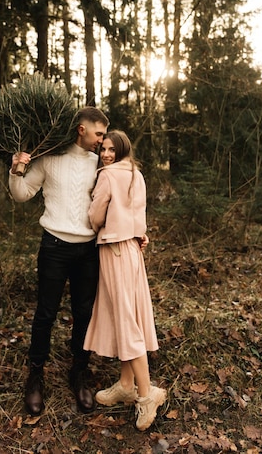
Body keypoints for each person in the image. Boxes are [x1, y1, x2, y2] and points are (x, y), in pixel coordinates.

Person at [9, 106, 109, 416]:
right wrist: (16, 170)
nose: (102, 141)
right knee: (45, 313)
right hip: (54, 246)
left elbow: (117, 201)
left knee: (83, 313)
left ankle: (78, 373)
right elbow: (22, 194)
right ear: (82, 129)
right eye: (99, 134)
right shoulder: (49, 158)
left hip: (88, 250)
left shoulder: (99, 164)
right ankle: (35, 377)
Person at [84, 130, 166, 431]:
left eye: (110, 149)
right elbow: (137, 214)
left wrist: (97, 224)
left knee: (126, 321)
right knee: (127, 315)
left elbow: (95, 214)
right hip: (131, 249)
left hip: (116, 250)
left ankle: (146, 396)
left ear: (121, 149)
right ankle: (126, 383)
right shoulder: (135, 173)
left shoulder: (106, 175)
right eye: (102, 149)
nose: (105, 154)